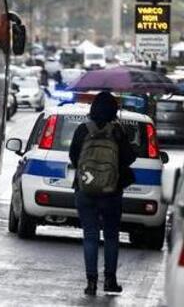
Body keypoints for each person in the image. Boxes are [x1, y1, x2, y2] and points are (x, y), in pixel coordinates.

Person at [68, 91, 136, 296]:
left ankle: (91, 283)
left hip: (85, 190)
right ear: (114, 110)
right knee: (111, 236)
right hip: (112, 192)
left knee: (90, 236)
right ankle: (110, 280)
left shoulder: (82, 130)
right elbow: (129, 159)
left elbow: (74, 157)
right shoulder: (118, 132)